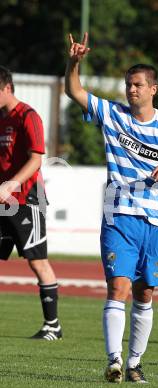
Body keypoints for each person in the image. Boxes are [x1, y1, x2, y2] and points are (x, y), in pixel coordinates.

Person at [65, 33, 158, 383]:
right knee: (118, 288)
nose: (131, 90)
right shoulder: (112, 115)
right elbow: (75, 92)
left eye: (138, 84)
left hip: (156, 220)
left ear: (152, 88)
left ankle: (135, 361)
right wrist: (74, 63)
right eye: (128, 84)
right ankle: (113, 360)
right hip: (119, 215)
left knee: (145, 292)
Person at [0, 65, 62, 341]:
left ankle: (53, 326)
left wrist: (12, 183)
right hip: (2, 201)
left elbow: (37, 158)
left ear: (7, 88)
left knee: (37, 262)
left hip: (27, 200)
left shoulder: (28, 116)